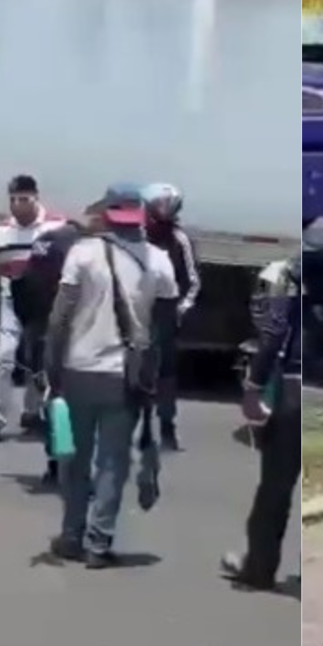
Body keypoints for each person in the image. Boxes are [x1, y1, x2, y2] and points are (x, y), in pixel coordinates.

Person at [44, 183, 178, 568]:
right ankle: (98, 544)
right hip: (126, 378)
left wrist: (51, 371)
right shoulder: (160, 262)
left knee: (73, 458)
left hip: (77, 371)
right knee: (113, 464)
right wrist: (156, 382)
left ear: (106, 214)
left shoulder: (82, 254)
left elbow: (59, 318)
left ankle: (71, 536)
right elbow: (165, 333)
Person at [222, 252, 302, 591]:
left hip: (297, 390)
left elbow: (272, 333)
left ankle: (259, 568)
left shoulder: (293, 274)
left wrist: (253, 386)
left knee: (275, 488)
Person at [0, 175, 65, 444]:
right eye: (13, 200)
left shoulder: (56, 227)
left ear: (36, 198)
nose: (18, 205)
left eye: (24, 199)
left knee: (38, 359)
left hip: (43, 300)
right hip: (10, 298)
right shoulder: (2, 231)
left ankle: (32, 411)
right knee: (1, 358)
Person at [11, 217, 85, 486]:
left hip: (43, 329)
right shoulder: (90, 251)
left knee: (55, 399)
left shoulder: (43, 244)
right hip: (81, 334)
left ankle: (57, 462)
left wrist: (29, 323)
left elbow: (22, 285)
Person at [139, 183, 200, 451]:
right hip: (138, 306)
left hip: (165, 309)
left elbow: (193, 280)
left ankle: (166, 425)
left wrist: (181, 307)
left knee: (164, 370)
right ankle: (137, 423)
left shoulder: (179, 239)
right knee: (135, 367)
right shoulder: (138, 236)